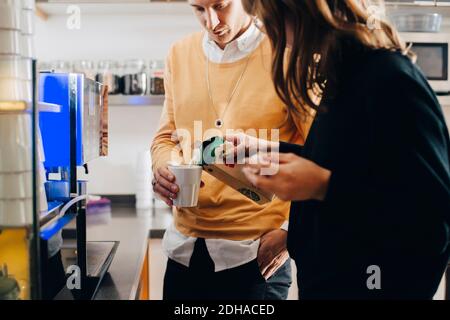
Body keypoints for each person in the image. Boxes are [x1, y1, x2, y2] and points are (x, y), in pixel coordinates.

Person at [231, 0, 450, 299]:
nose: (270, 34)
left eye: (269, 22)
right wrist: (267, 149)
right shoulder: (346, 75)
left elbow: (431, 215)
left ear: (300, 13)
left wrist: (323, 185)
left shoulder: (389, 79)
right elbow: (351, 164)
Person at [150, 0, 313, 300]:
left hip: (254, 256)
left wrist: (291, 233)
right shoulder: (179, 54)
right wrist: (164, 167)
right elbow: (166, 138)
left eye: (220, 6)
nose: (211, 21)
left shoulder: (287, 55)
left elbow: (322, 156)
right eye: (198, 9)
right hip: (183, 250)